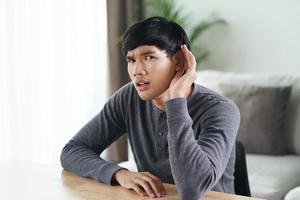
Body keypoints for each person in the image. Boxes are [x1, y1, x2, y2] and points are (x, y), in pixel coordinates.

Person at [60, 16, 240, 200]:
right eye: (131, 60)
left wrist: (176, 100)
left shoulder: (220, 110)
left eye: (149, 57)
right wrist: (119, 174)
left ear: (179, 61)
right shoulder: (127, 98)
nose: (137, 70)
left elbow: (192, 190)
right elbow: (73, 151)